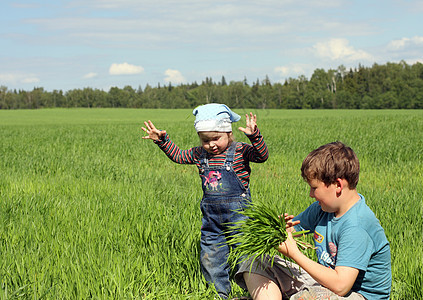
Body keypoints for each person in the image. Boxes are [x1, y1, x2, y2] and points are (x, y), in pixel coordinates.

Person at [141, 103, 269, 299]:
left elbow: (262, 156)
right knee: (211, 254)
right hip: (211, 219)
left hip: (240, 216)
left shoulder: (240, 151)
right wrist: (163, 141)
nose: (211, 145)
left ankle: (254, 290)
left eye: (216, 138)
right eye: (205, 140)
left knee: (245, 252)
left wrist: (255, 136)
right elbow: (178, 156)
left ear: (228, 132)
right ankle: (217, 293)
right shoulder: (200, 154)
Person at [235, 141, 392, 300]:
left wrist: (294, 254)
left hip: (357, 295)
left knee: (311, 297)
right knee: (254, 262)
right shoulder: (321, 209)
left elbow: (341, 286)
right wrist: (281, 230)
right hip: (324, 285)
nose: (311, 194)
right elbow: (295, 229)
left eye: (314, 188)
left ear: (337, 185)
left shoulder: (357, 226)